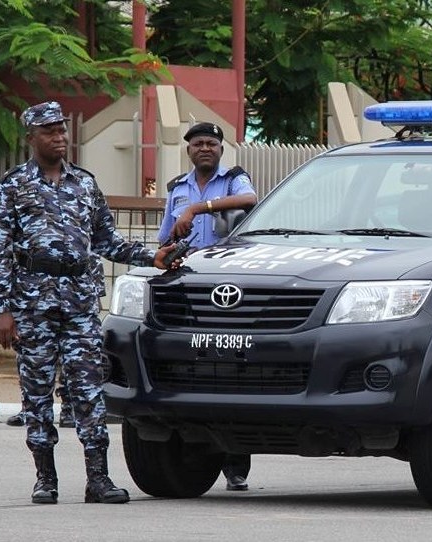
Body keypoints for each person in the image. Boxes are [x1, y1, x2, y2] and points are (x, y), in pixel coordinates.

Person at [0, 101, 179, 505]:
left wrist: (152, 257)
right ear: (31, 137)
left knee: (89, 390)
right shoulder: (12, 185)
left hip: (79, 303)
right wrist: (1, 308)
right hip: (31, 303)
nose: (59, 138)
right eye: (49, 131)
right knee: (36, 392)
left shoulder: (85, 184)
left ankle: (99, 479)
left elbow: (107, 241)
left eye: (62, 130)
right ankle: (45, 479)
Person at [157, 121, 257, 491]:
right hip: (187, 283)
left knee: (233, 370)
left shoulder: (233, 179)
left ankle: (236, 464)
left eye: (212, 143)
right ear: (188, 150)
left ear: (220, 149)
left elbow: (250, 202)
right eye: (198, 143)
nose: (205, 149)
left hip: (225, 285)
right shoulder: (176, 189)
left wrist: (200, 207)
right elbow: (166, 235)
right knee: (193, 368)